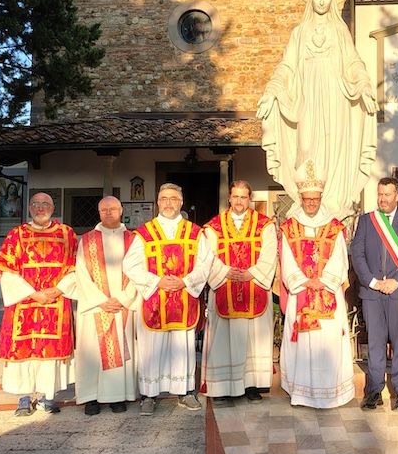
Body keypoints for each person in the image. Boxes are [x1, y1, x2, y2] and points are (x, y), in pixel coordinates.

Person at [256, 0, 378, 218]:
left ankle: (333, 200)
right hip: (306, 102)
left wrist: (364, 86)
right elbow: (286, 66)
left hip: (336, 101)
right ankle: (306, 200)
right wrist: (272, 91)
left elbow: (354, 63)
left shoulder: (339, 31)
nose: (321, 1)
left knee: (335, 147)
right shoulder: (299, 33)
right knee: (307, 146)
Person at [122, 183, 212, 415]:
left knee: (182, 347)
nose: (169, 203)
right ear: (157, 202)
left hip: (183, 298)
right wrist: (157, 282)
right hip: (155, 300)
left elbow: (205, 263)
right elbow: (129, 265)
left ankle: (184, 391)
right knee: (151, 348)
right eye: (164, 199)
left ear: (181, 202)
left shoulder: (195, 232)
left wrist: (185, 281)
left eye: (173, 198)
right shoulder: (145, 233)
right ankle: (149, 395)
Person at [279, 159, 354, 408]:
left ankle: (332, 393)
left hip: (327, 294)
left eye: (315, 199)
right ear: (300, 198)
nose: (311, 203)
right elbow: (286, 259)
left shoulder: (334, 227)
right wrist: (303, 282)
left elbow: (340, 258)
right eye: (307, 199)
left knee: (329, 342)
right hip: (300, 295)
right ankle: (301, 393)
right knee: (301, 345)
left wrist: (323, 281)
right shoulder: (289, 228)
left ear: (321, 197)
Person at [0, 192, 77, 416]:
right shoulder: (16, 235)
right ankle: (23, 398)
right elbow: (6, 271)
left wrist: (59, 289)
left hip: (56, 302)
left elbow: (76, 267)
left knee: (51, 352)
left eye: (45, 204)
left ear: (53, 207)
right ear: (29, 208)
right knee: (24, 352)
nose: (41, 208)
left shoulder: (67, 234)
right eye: (36, 204)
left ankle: (48, 397)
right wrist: (33, 294)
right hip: (24, 304)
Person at [201, 180, 277, 405]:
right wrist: (226, 272)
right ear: (229, 198)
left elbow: (270, 253)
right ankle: (223, 386)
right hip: (224, 287)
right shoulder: (214, 226)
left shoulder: (265, 225)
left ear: (250, 199)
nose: (239, 201)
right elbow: (207, 257)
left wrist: (252, 273)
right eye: (235, 197)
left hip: (254, 287)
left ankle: (252, 385)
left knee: (254, 340)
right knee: (224, 339)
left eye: (244, 197)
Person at [351, 176, 398, 411]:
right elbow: (357, 253)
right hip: (373, 292)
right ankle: (374, 390)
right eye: (380, 194)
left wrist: (397, 281)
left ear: (397, 195)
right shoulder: (367, 221)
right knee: (375, 343)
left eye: (387, 194)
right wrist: (371, 281)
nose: (383, 198)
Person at [73, 196, 138, 416]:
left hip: (122, 306)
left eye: (112, 209)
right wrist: (100, 300)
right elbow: (80, 273)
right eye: (103, 210)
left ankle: (117, 396)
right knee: (91, 351)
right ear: (99, 213)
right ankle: (92, 397)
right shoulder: (87, 239)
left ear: (121, 210)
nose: (108, 213)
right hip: (95, 306)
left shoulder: (134, 239)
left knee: (121, 347)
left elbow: (139, 272)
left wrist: (122, 299)